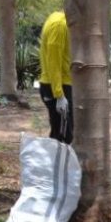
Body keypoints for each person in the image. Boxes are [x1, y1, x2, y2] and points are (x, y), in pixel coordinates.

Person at [38, 10, 73, 144]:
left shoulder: (57, 18)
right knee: (63, 137)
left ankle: (58, 163)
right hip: (58, 86)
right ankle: (57, 164)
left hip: (61, 83)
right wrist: (59, 95)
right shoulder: (59, 25)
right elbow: (53, 61)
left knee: (61, 133)